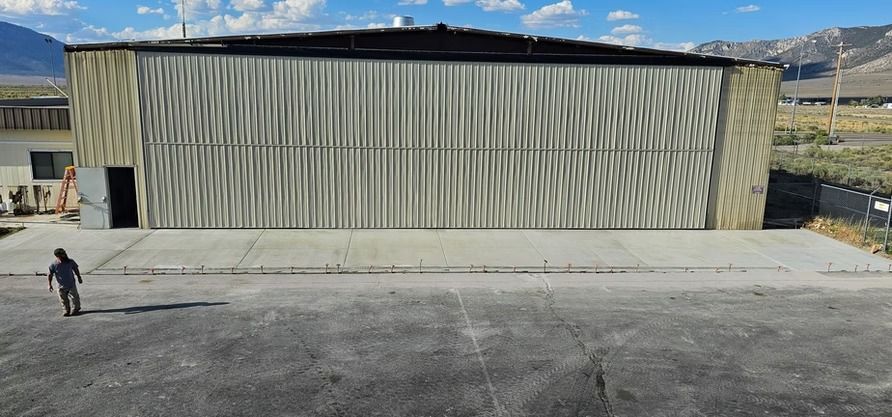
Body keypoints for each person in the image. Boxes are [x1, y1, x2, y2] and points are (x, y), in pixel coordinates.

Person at [47, 248, 83, 317]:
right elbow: (50, 274)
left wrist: (79, 277)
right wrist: (49, 285)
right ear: (57, 256)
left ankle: (76, 309)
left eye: (64, 253)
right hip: (60, 285)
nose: (64, 255)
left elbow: (75, 269)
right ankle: (66, 310)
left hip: (71, 284)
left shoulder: (70, 262)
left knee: (74, 297)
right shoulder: (54, 264)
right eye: (62, 254)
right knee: (63, 299)